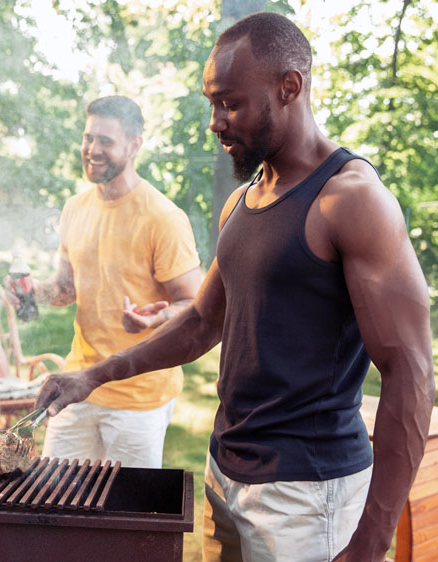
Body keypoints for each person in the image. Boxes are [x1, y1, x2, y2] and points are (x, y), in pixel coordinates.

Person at [35, 13, 435, 562]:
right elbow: (202, 323)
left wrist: (370, 541)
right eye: (211, 103)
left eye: (230, 103)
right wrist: (93, 376)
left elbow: (411, 370)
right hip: (225, 473)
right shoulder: (242, 202)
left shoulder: (351, 199)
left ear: (288, 87)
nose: (215, 122)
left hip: (305, 494)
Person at [7, 95, 201, 469]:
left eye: (106, 141)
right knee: (54, 502)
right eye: (88, 138)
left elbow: (192, 303)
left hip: (139, 394)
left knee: (128, 515)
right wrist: (33, 291)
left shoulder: (163, 217)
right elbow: (67, 289)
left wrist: (154, 319)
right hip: (77, 384)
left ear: (134, 145)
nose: (92, 150)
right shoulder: (75, 209)